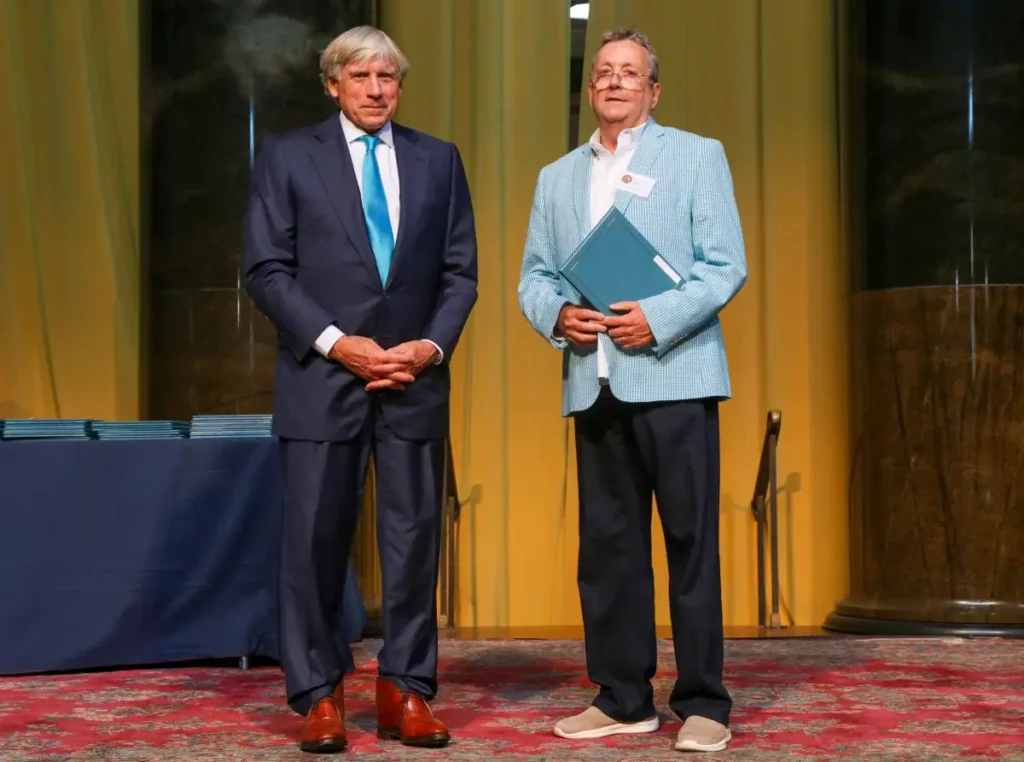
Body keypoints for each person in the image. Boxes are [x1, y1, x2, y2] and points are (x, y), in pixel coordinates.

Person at [242, 25, 477, 754]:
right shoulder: (287, 155)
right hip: (322, 379)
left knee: (413, 543)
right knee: (313, 543)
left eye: (389, 77)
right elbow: (266, 269)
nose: (377, 90)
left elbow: (458, 273)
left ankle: (406, 688)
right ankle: (320, 696)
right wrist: (339, 345)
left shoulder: (438, 159)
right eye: (362, 76)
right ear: (333, 82)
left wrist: (430, 346)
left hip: (412, 380)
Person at [517, 28, 747, 754]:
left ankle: (704, 701)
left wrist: (659, 317)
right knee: (608, 551)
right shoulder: (557, 176)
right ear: (592, 91)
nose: (615, 83)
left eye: (631, 74)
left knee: (690, 545)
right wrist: (558, 315)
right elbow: (535, 274)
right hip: (596, 383)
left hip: (675, 374)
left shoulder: (696, 155)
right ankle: (622, 698)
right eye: (604, 73)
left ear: (654, 91)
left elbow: (724, 266)